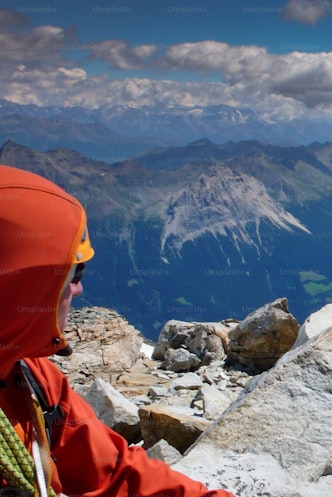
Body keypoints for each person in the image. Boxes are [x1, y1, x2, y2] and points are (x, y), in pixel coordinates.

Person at [0, 165, 235, 496]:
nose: (79, 290)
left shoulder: (33, 381)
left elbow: (116, 471)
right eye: (74, 274)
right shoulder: (30, 382)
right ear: (23, 290)